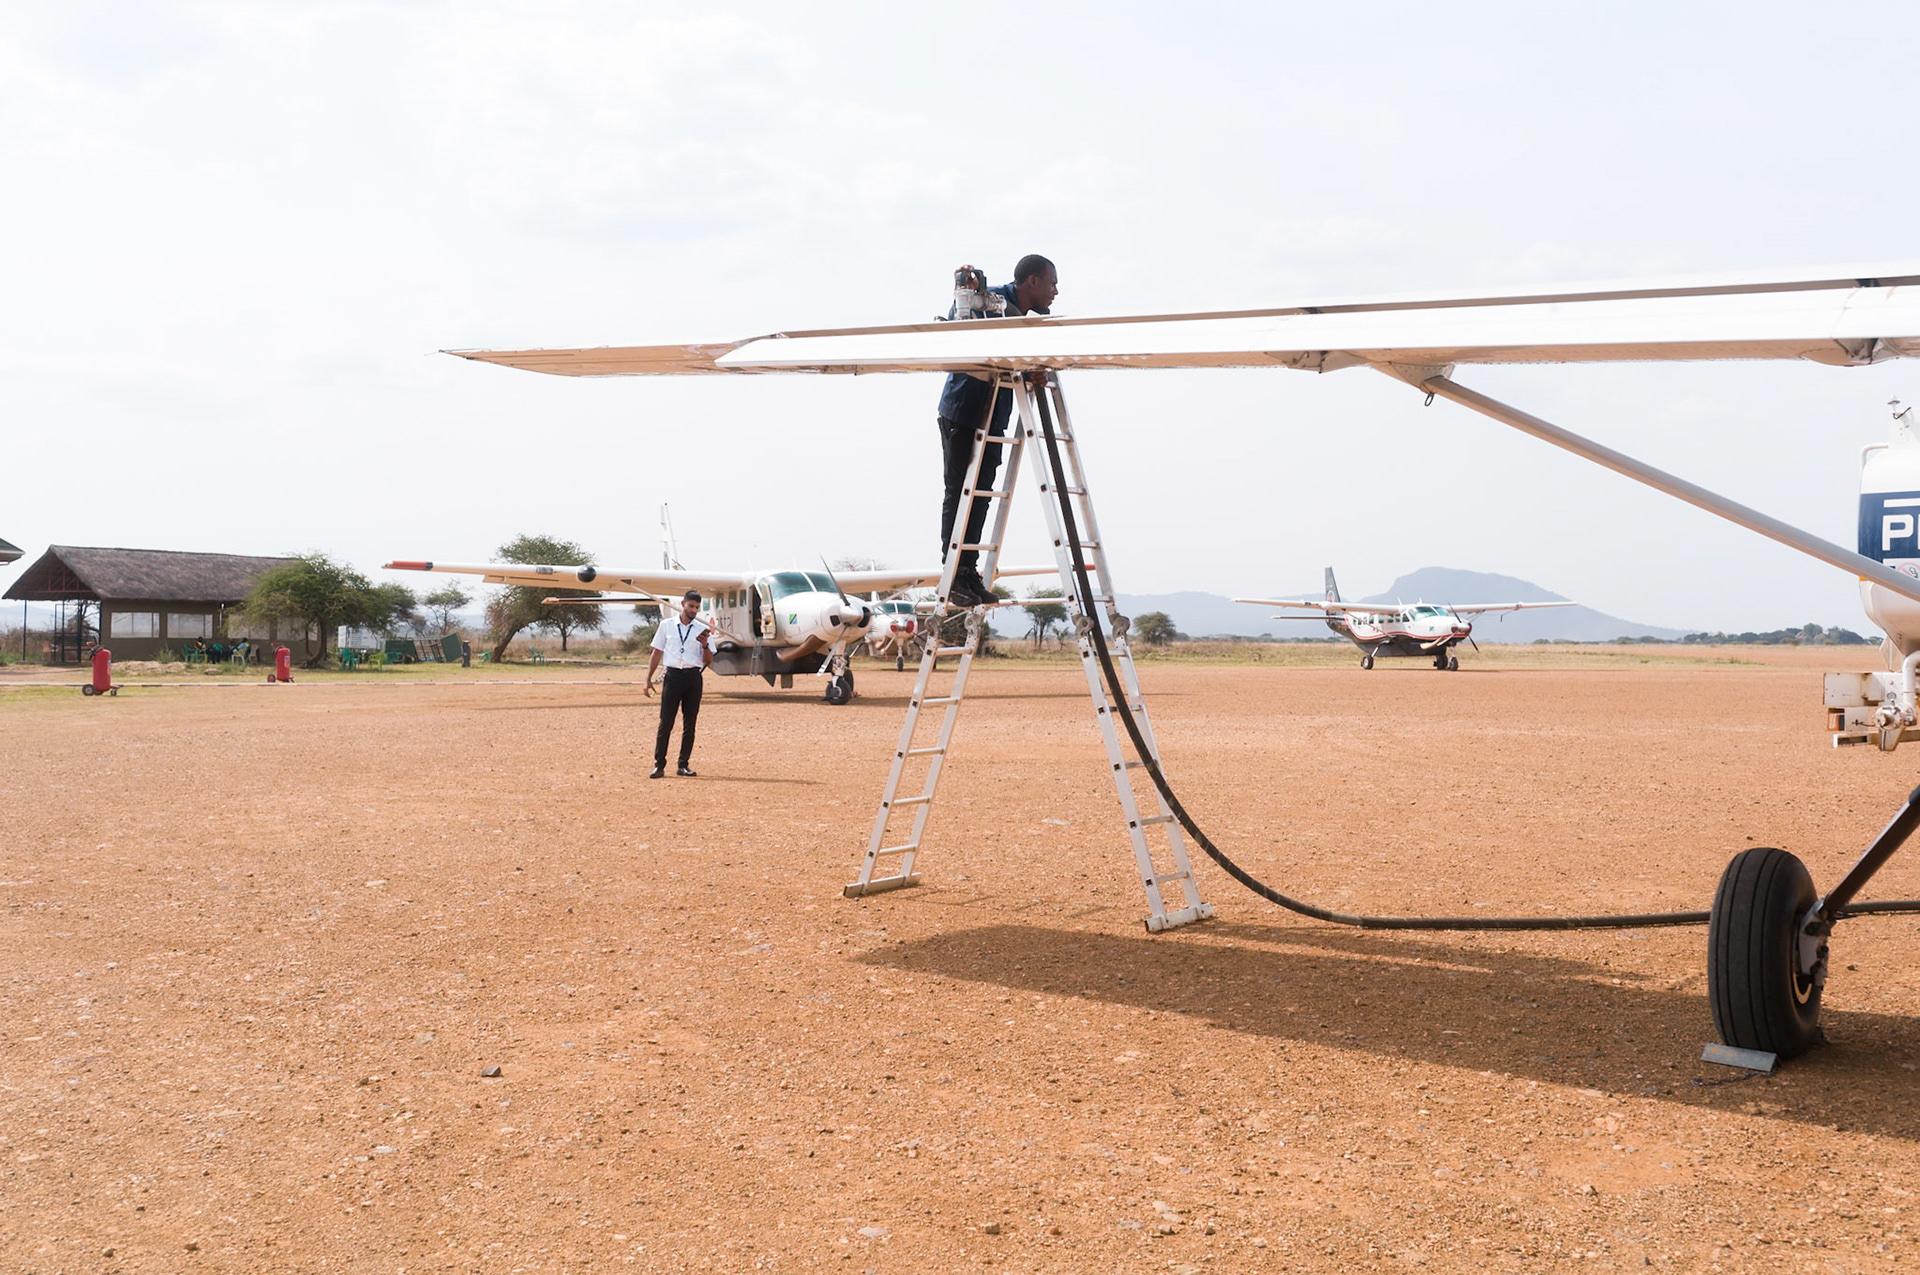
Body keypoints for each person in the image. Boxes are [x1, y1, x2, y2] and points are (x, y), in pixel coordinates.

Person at [938, 253, 1059, 607]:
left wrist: (1036, 371)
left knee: (982, 494)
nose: (1055, 291)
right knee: (959, 492)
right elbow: (955, 324)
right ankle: (952, 574)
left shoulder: (1027, 321)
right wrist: (969, 289)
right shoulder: (989, 299)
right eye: (1051, 283)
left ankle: (968, 572)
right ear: (1032, 281)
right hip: (963, 410)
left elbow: (1016, 365)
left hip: (994, 417)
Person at [645, 590, 711, 778]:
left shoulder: (701, 629)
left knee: (690, 724)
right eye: (691, 606)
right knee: (666, 722)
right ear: (683, 604)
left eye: (697, 607)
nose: (694, 610)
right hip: (673, 676)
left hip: (693, 677)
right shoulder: (667, 625)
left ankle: (683, 764)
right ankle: (659, 765)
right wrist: (648, 679)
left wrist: (705, 644)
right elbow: (656, 652)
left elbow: (709, 660)